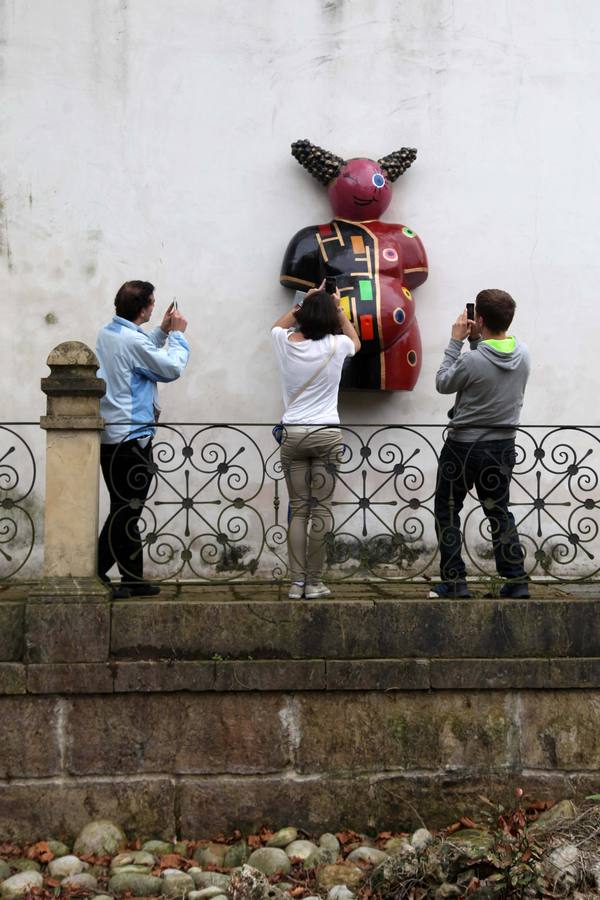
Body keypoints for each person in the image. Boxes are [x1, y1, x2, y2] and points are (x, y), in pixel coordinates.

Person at [431, 289, 530, 599]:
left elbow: (443, 382)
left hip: (463, 447)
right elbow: (486, 370)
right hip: (502, 447)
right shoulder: (523, 353)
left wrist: (455, 342)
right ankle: (516, 580)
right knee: (499, 511)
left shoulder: (472, 359)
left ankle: (455, 581)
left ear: (480, 319)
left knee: (448, 512)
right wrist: (476, 342)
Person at [96, 280, 189, 598]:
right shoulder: (131, 343)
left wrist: (161, 332)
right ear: (143, 308)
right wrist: (176, 335)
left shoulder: (110, 333)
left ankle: (130, 579)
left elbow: (138, 354)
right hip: (131, 438)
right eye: (152, 303)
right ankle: (101, 574)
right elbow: (169, 368)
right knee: (127, 511)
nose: (154, 306)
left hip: (113, 437)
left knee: (123, 510)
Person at [271, 284, 360, 599]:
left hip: (294, 434)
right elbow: (356, 341)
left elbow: (279, 325)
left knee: (298, 508)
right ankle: (314, 582)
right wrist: (336, 308)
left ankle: (296, 584)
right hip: (326, 434)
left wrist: (305, 300)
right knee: (321, 509)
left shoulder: (284, 342)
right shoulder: (336, 346)